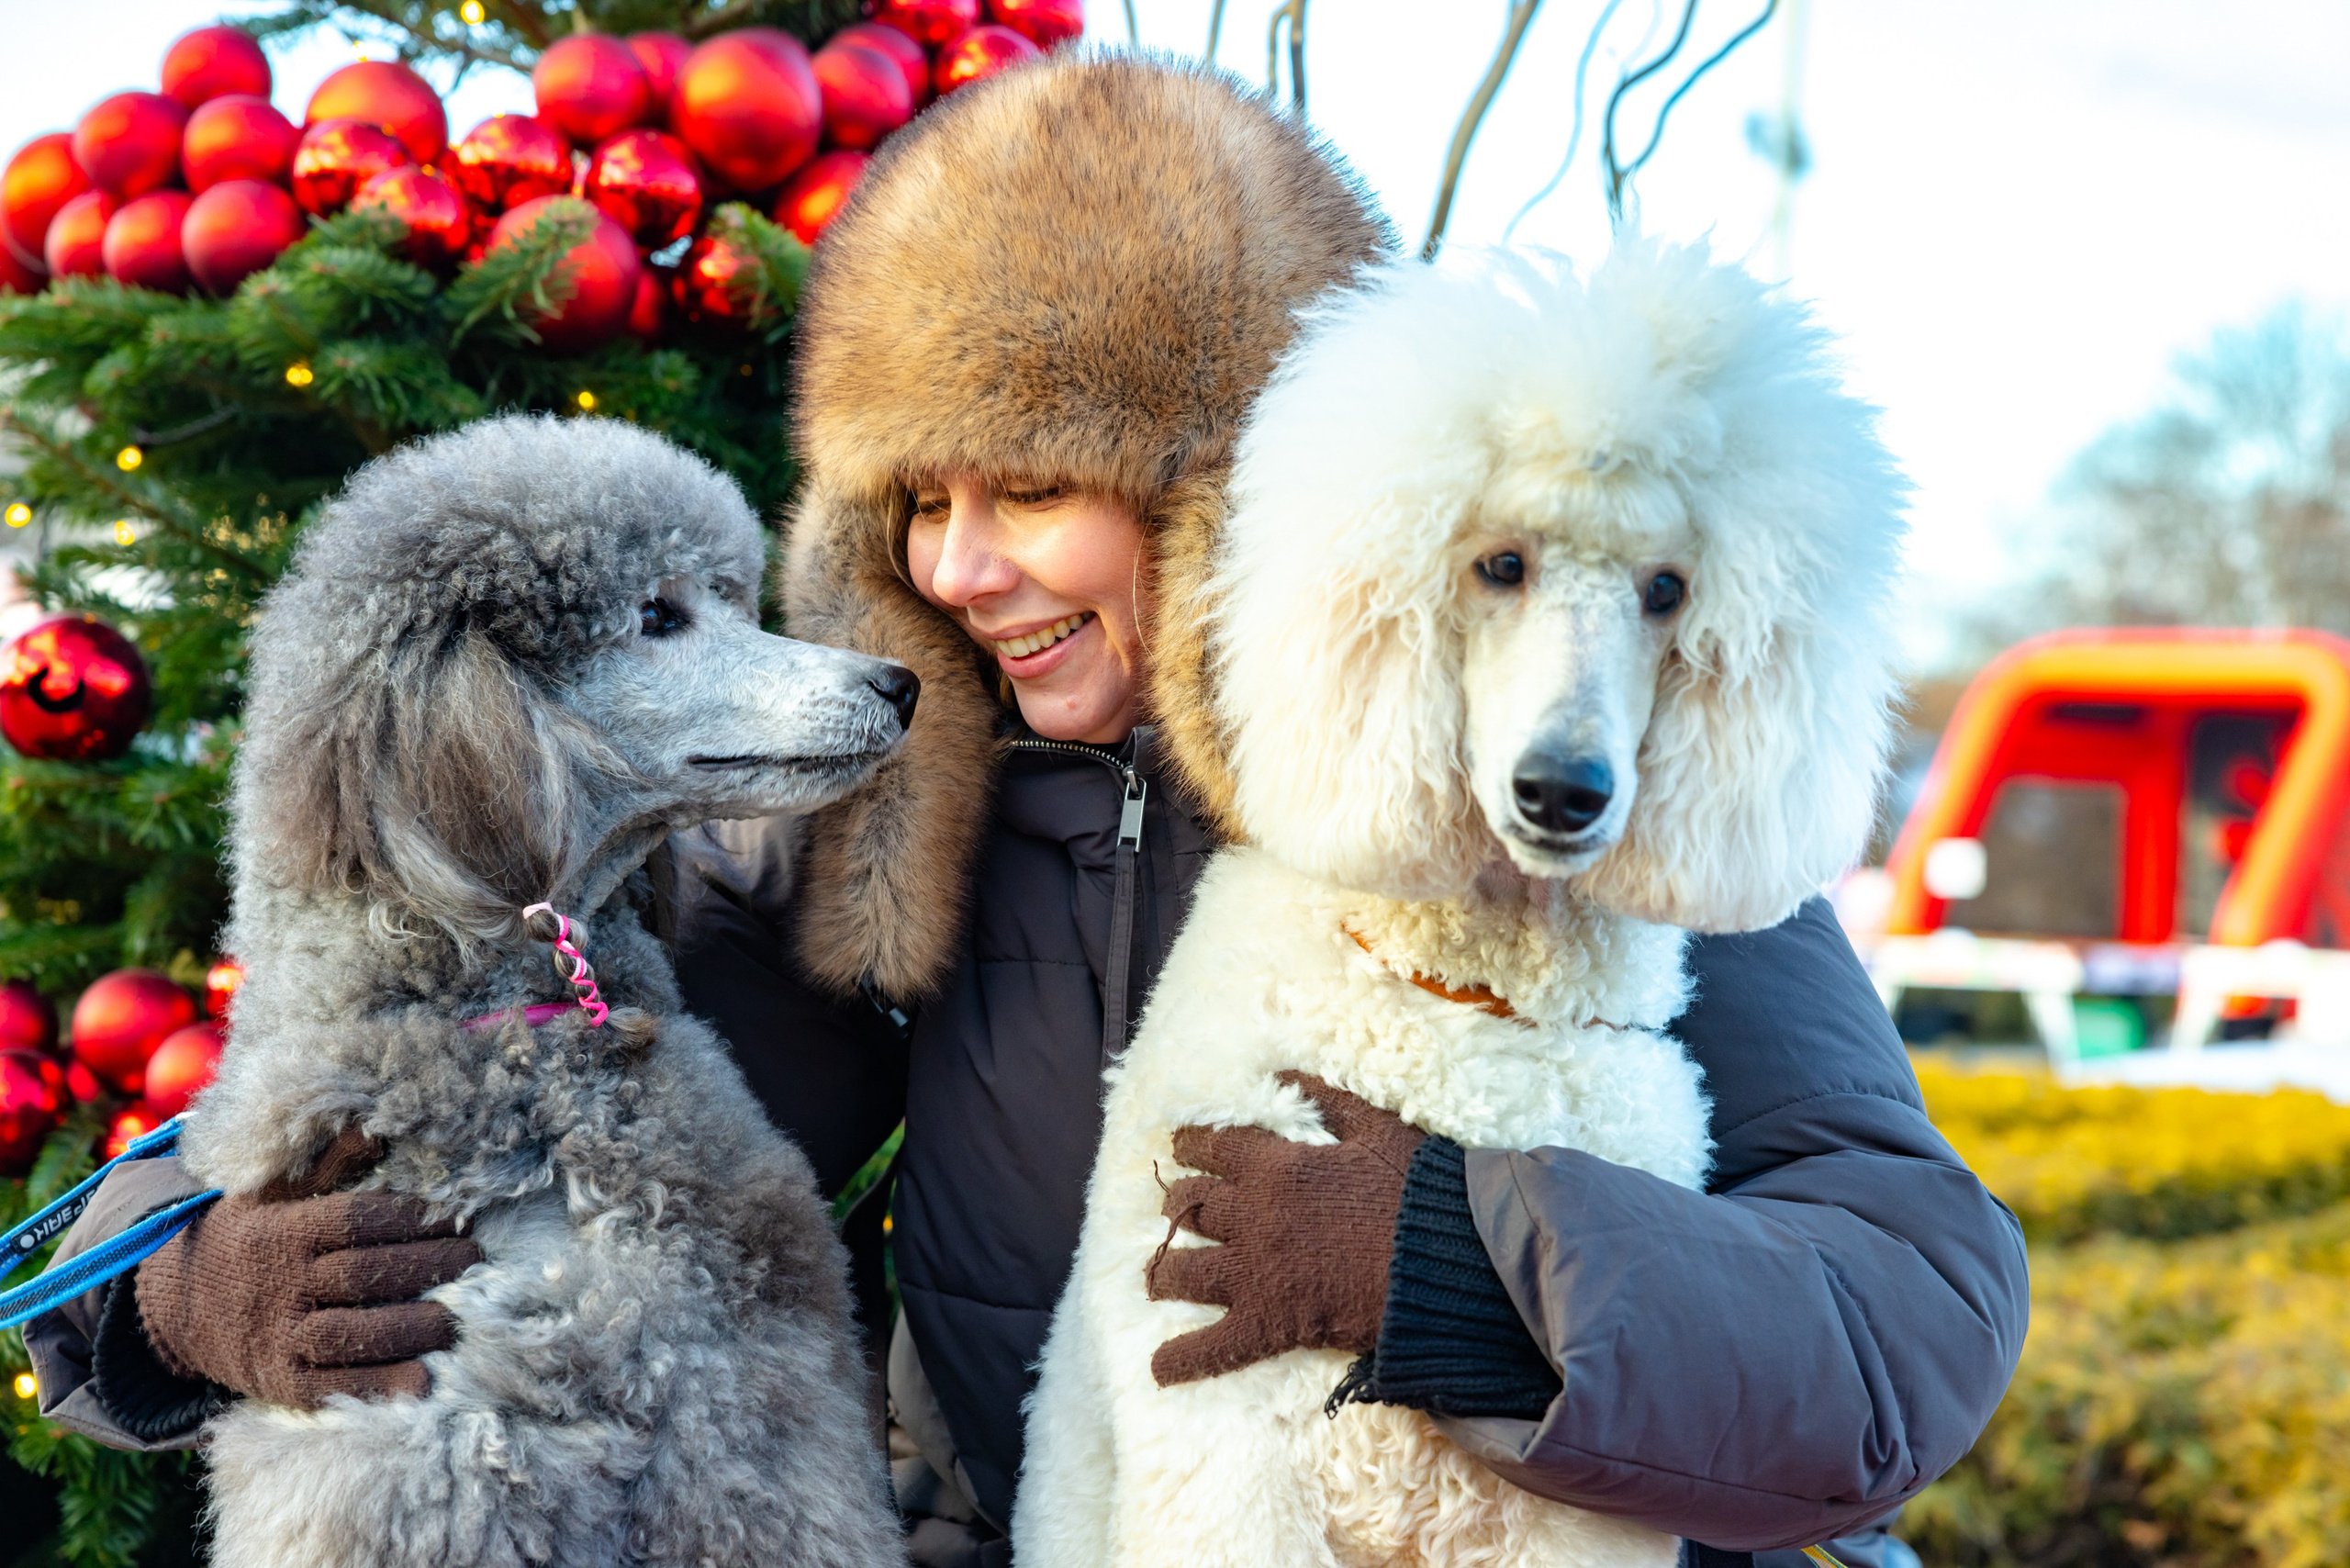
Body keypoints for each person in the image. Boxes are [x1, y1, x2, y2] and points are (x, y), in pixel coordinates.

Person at [28, 55, 2024, 1568]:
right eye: (919, 500)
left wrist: (1474, 1267)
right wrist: (164, 1287)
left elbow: (1915, 1306)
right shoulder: (902, 823)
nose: (964, 566)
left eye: (1030, 483)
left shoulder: (1554, 801)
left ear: (1234, 474)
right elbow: (492, 1071)